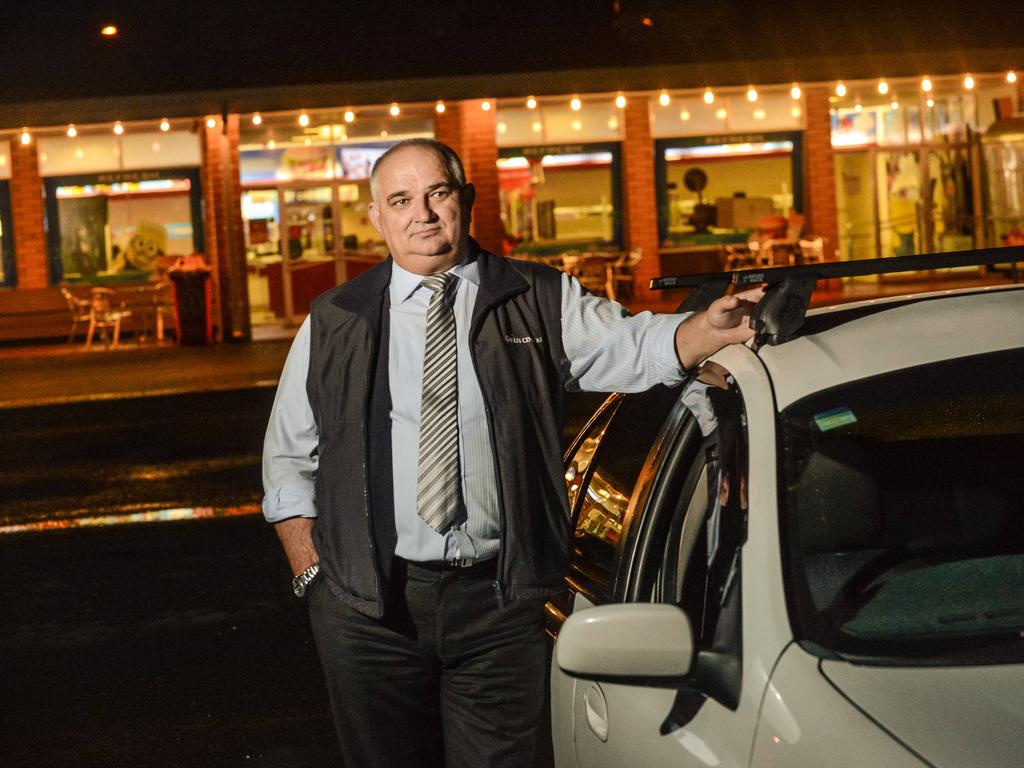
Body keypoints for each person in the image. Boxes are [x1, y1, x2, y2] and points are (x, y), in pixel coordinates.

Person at [262, 138, 763, 768]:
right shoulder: (336, 317)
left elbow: (631, 346)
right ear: (377, 218)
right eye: (401, 200)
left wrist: (702, 331)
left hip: (499, 605)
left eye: (438, 193)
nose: (423, 213)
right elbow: (288, 459)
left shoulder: (536, 295)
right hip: (371, 610)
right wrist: (313, 576)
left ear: (466, 199)